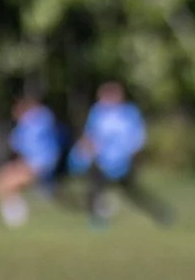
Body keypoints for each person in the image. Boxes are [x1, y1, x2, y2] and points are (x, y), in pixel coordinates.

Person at [68, 82, 172, 226]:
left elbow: (137, 139)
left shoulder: (130, 113)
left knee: (133, 192)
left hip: (123, 162)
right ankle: (97, 219)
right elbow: (90, 136)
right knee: (95, 187)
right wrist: (84, 151)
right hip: (101, 161)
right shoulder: (97, 112)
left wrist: (132, 157)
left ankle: (160, 213)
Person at [0, 96, 64, 229]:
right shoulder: (22, 129)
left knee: (8, 183)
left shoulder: (40, 120)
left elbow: (45, 121)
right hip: (30, 164)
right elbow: (20, 150)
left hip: (41, 165)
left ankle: (16, 215)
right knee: (0, 179)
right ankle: (14, 213)